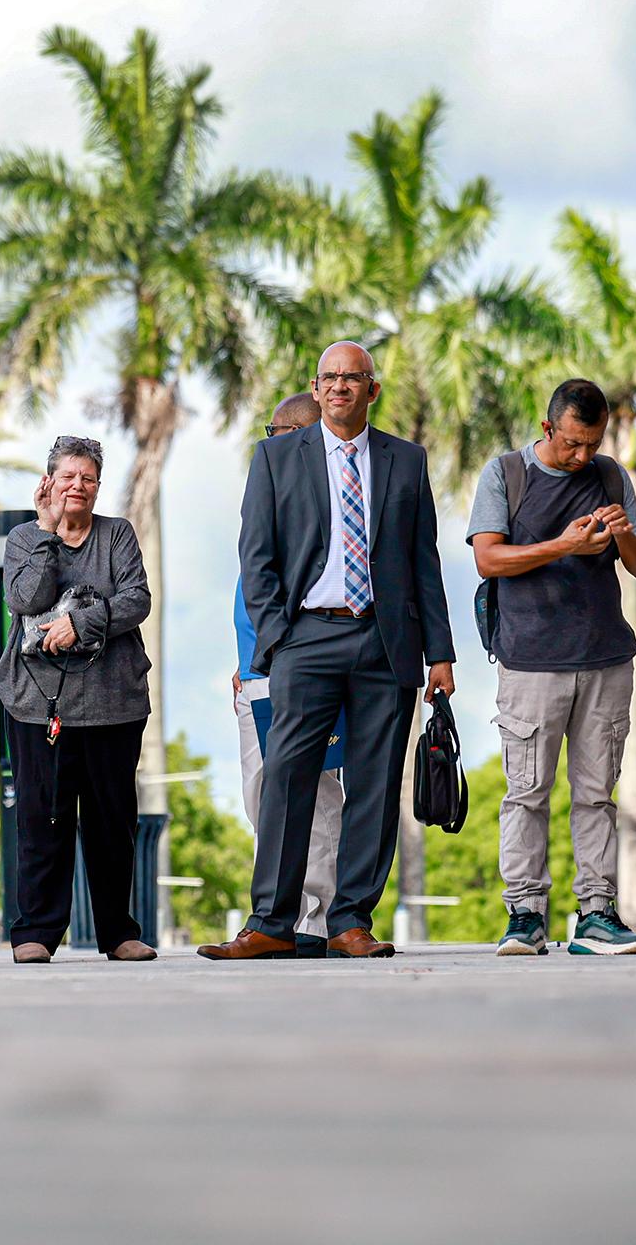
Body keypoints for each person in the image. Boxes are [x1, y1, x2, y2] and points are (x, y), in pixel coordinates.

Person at [200, 341, 455, 962]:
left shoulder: (406, 460)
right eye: (329, 378)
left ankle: (349, 921)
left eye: (353, 378)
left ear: (372, 390)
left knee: (373, 783)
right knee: (287, 778)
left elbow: (425, 560)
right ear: (316, 389)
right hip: (305, 639)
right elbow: (255, 558)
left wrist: (440, 653)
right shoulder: (276, 457)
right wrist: (277, 640)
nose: (340, 387)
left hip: (385, 641)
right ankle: (270, 923)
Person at [467, 379, 636, 957]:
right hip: (529, 661)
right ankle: (525, 916)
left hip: (605, 659)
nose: (580, 456)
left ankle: (597, 914)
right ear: (548, 428)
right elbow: (488, 558)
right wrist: (563, 547)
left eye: (590, 444)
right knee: (527, 792)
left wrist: (624, 535)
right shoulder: (506, 475)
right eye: (571, 443)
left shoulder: (611, 475)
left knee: (597, 793)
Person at [0, 435, 155, 964]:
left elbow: (136, 598)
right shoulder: (23, 538)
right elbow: (25, 599)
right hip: (38, 705)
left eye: (87, 478)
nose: (77, 487)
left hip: (114, 703)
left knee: (113, 823)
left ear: (98, 485)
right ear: (49, 482)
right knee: (42, 819)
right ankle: (35, 933)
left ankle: (119, 932)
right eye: (68, 477)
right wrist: (46, 530)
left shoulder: (117, 536)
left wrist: (80, 622)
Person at [232, 392, 344, 957]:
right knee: (263, 797)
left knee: (317, 795)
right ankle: (278, 912)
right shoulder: (270, 487)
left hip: (298, 669)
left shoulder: (319, 496)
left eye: (271, 430)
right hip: (256, 675)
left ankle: (314, 920)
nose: (265, 440)